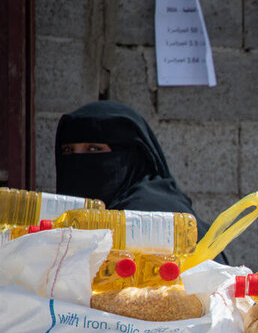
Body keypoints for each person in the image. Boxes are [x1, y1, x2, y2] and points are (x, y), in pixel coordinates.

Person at [55, 100, 228, 264]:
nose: (77, 161)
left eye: (94, 149)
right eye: (68, 150)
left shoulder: (148, 217)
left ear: (131, 156)